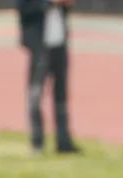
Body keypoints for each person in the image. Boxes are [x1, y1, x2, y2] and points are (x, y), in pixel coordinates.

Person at [17, 0, 80, 154]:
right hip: (40, 46)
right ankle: (37, 142)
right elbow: (25, 8)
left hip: (58, 45)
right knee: (36, 94)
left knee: (61, 95)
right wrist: (49, 2)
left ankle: (63, 141)